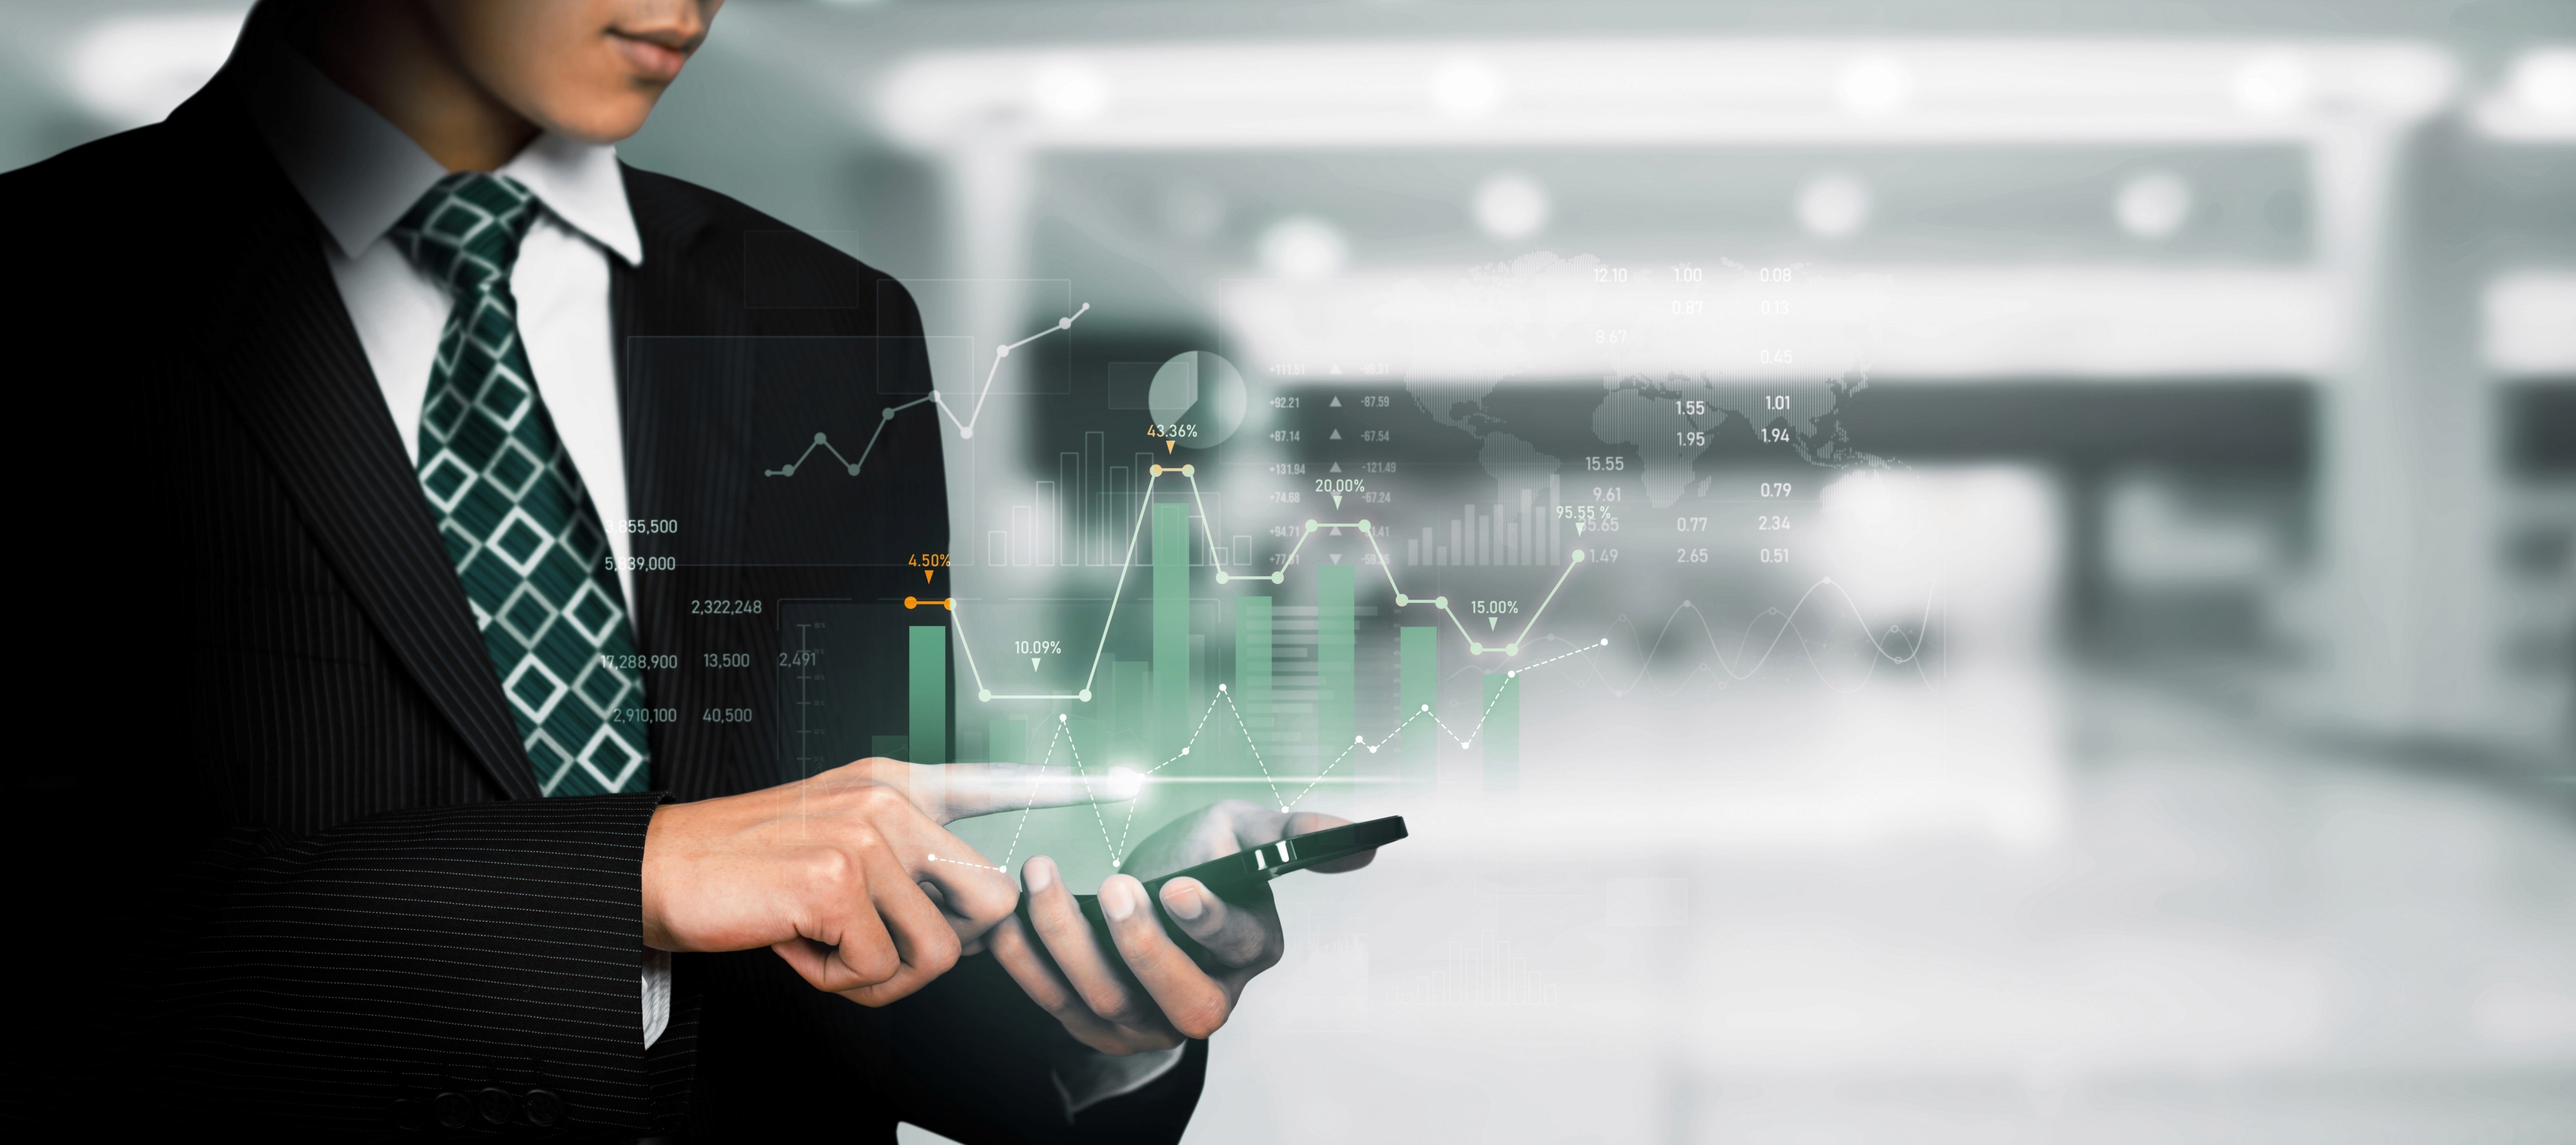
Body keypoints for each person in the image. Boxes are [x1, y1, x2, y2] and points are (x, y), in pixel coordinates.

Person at [0, 0, 1372, 1136]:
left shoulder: (828, 325)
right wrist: (632, 877)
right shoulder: (58, 293)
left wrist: (1087, 1014)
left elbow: (852, 911)